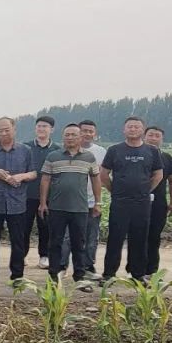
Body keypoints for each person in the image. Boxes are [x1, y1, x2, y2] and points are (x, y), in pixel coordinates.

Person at [100, 117, 164, 283]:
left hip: (142, 203)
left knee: (140, 238)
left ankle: (138, 275)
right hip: (120, 202)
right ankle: (109, 274)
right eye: (130, 126)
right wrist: (114, 190)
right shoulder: (114, 150)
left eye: (137, 127)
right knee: (115, 238)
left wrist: (146, 190)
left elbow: (158, 174)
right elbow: (104, 174)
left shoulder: (151, 151)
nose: (133, 129)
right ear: (124, 130)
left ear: (142, 130)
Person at [39, 124, 102, 292]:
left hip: (80, 208)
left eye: (74, 134)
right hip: (57, 208)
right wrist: (43, 203)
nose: (70, 137)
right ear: (63, 137)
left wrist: (98, 202)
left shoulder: (88, 157)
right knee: (55, 243)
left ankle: (79, 277)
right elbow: (45, 180)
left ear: (80, 137)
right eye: (67, 135)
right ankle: (53, 277)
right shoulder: (53, 156)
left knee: (79, 244)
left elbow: (96, 179)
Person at [0, 117, 35, 288]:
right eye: (0, 130)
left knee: (18, 241)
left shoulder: (25, 151)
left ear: (14, 129)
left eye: (6, 130)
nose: (3, 133)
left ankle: (17, 276)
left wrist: (21, 176)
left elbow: (33, 173)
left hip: (17, 203)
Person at [59, 119, 107, 277]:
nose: (87, 134)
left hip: (91, 202)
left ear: (95, 134)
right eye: (84, 131)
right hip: (69, 203)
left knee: (91, 237)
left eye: (90, 131)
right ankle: (61, 267)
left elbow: (102, 177)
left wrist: (98, 201)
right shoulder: (64, 152)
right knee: (66, 237)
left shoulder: (101, 152)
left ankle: (88, 267)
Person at [23, 116, 60, 270]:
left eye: (45, 126)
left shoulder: (57, 149)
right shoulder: (25, 147)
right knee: (23, 226)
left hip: (48, 195)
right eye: (39, 126)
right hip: (26, 194)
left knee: (45, 227)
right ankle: (21, 255)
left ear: (52, 129)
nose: (41, 129)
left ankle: (44, 256)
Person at [142, 126, 172, 279]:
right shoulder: (136, 155)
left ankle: (151, 271)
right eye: (150, 135)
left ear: (162, 139)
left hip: (158, 204)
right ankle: (137, 271)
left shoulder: (167, 158)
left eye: (157, 136)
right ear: (144, 137)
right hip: (137, 203)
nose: (153, 138)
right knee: (137, 236)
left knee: (154, 237)